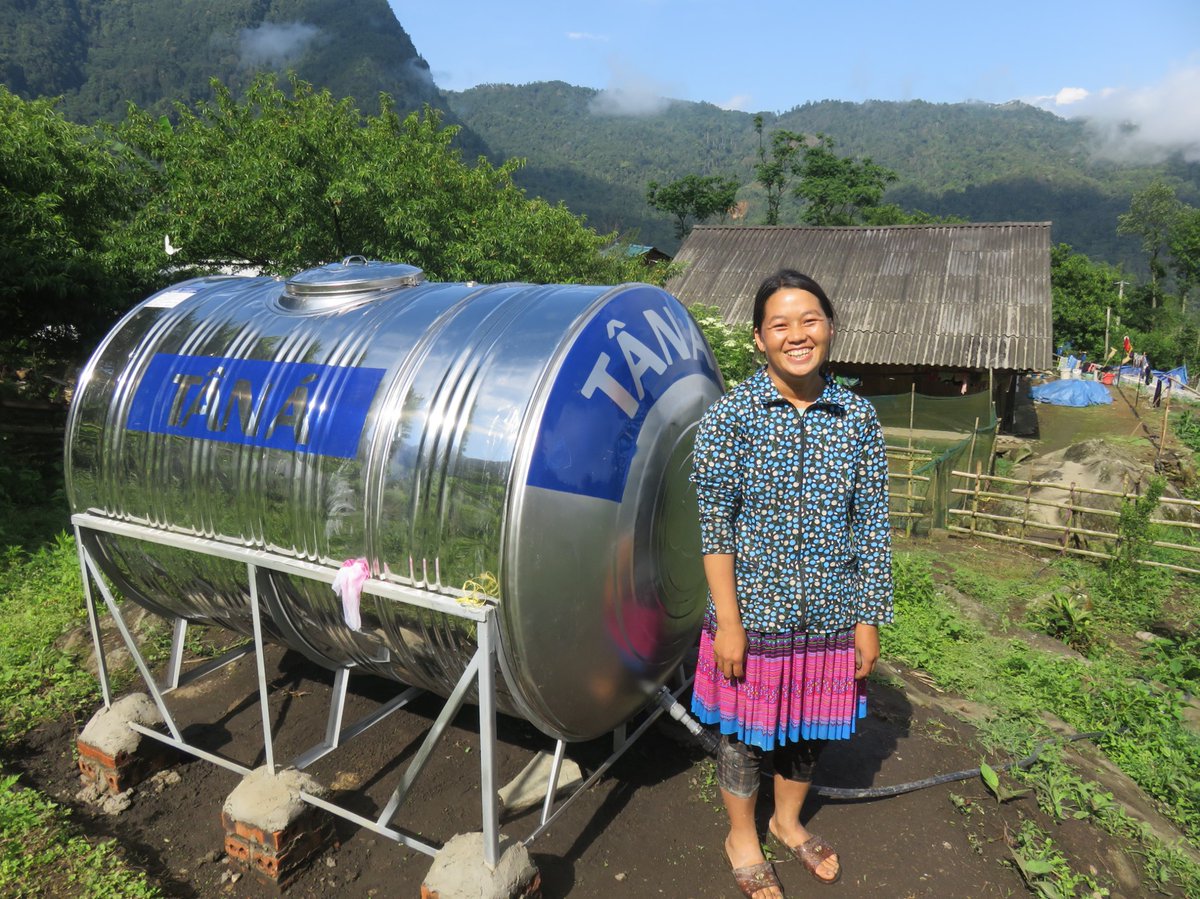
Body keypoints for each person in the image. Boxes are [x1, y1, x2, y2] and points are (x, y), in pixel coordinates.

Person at [690, 269, 894, 899]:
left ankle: (785, 822)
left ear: (829, 328)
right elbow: (716, 528)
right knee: (743, 741)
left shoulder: (857, 418)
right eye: (780, 324)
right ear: (759, 338)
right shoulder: (732, 417)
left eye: (810, 320)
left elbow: (870, 525)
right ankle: (742, 838)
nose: (797, 335)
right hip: (753, 617)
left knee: (809, 733)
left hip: (830, 617)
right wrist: (729, 623)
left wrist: (866, 619)